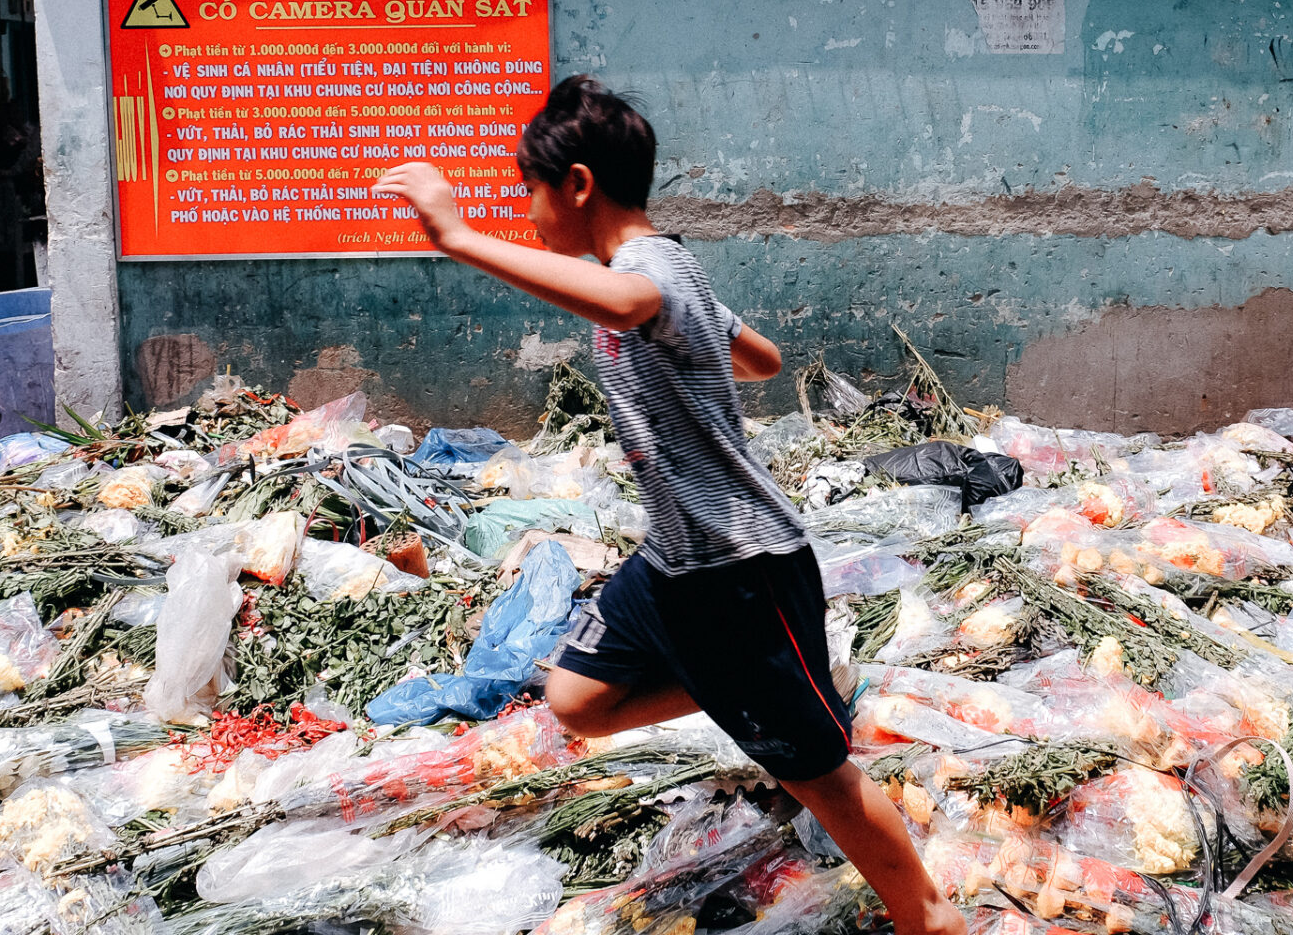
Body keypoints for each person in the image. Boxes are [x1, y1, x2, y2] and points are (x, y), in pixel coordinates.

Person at [375, 76, 966, 935]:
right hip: (673, 559)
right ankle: (753, 689)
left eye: (529, 194)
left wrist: (460, 236)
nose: (529, 212)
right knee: (576, 700)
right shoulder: (666, 263)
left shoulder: (645, 271)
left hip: (740, 564)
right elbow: (760, 357)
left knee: (816, 772)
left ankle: (927, 916)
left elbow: (637, 304)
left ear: (577, 185)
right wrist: (705, 354)